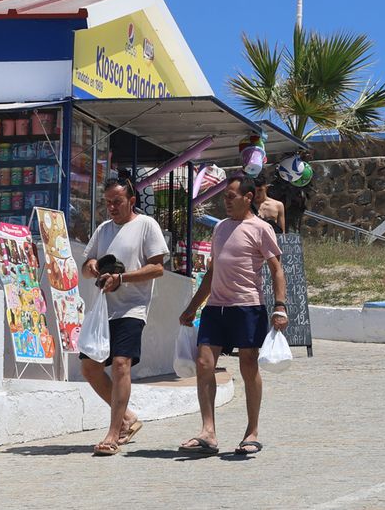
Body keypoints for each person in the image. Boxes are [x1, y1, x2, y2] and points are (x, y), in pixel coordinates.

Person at [178, 173, 288, 455]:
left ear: (248, 197)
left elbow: (277, 270)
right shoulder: (221, 228)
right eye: (225, 196)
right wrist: (192, 307)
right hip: (215, 307)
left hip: (248, 306)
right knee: (204, 363)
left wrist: (280, 306)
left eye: (231, 196)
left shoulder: (262, 229)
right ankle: (208, 432)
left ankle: (252, 431)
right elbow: (212, 272)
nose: (225, 201)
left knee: (248, 366)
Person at [80, 177, 168, 456]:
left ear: (132, 200)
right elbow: (85, 264)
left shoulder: (146, 225)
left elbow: (157, 268)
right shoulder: (103, 229)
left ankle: (113, 432)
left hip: (133, 307)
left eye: (117, 201)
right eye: (107, 202)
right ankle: (128, 418)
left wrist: (123, 278)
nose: (111, 207)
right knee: (90, 367)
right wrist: (92, 266)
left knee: (120, 364)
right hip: (104, 308)